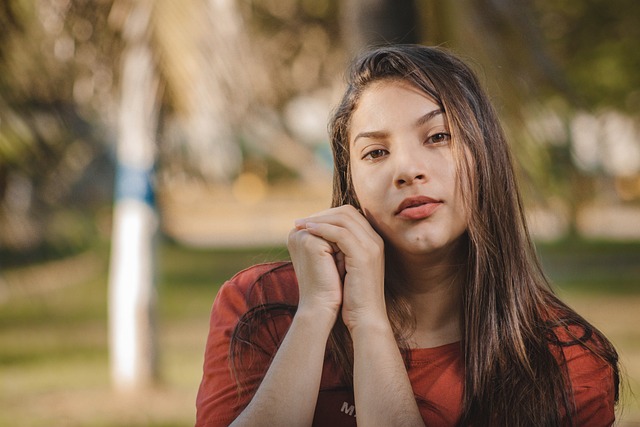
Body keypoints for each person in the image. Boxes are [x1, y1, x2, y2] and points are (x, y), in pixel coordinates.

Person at [195, 45, 620, 426]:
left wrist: (369, 323)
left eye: (438, 137)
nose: (407, 170)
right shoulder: (261, 303)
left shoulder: (568, 364)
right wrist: (315, 312)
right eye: (376, 152)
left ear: (486, 158)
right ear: (351, 184)